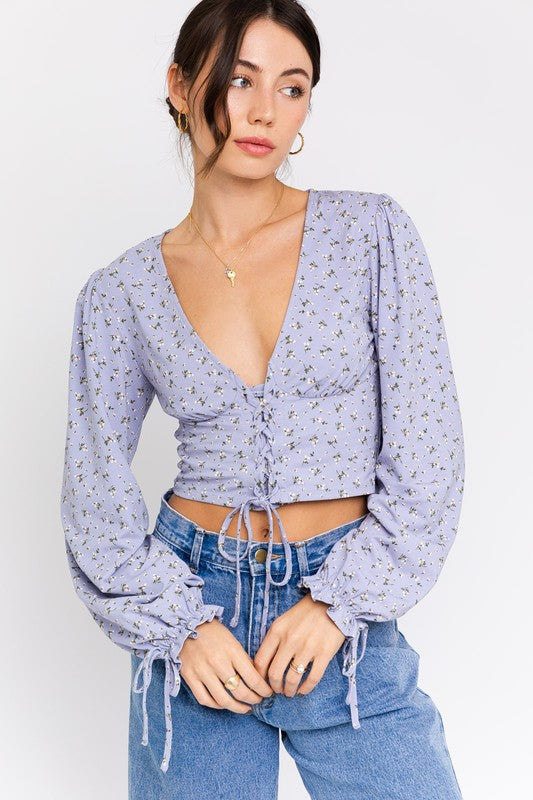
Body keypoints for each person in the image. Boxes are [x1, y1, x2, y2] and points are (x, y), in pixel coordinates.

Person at [59, 1, 465, 798]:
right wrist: (180, 629)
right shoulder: (120, 292)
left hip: (341, 607)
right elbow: (93, 492)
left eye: (291, 86)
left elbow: (428, 452)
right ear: (182, 86)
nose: (264, 112)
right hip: (196, 609)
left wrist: (337, 603)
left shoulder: (370, 235)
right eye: (239, 80)